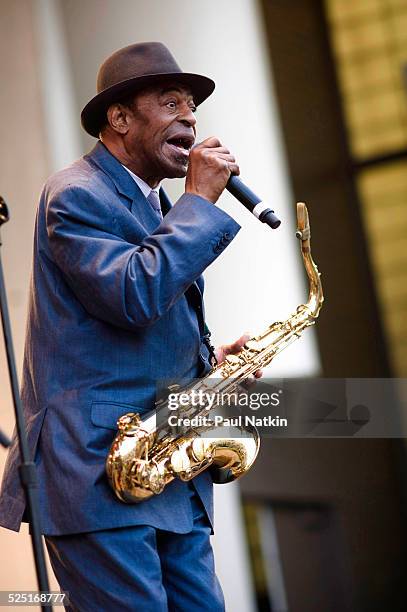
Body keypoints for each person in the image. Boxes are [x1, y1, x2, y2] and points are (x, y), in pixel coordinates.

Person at [0, 42, 257, 611]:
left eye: (191, 106)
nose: (189, 118)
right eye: (170, 103)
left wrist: (211, 369)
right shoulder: (76, 195)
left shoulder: (161, 207)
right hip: (96, 468)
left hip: (163, 465)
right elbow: (131, 294)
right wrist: (199, 202)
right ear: (118, 119)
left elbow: (141, 323)